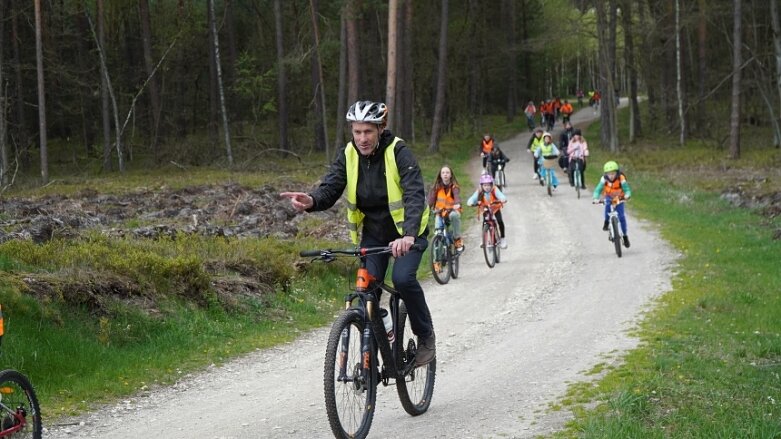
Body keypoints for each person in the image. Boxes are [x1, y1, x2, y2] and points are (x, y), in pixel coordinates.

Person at [280, 100, 436, 366]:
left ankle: (425, 337)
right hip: (375, 234)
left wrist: (409, 235)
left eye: (368, 131)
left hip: (407, 233)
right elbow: (331, 186)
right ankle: (371, 357)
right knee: (367, 290)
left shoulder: (398, 152)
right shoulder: (349, 154)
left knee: (402, 279)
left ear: (380, 128)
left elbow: (413, 193)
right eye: (357, 131)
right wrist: (312, 200)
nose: (362, 138)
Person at [592, 160, 632, 247]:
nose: (611, 176)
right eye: (609, 174)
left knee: (621, 217)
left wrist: (627, 195)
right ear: (606, 174)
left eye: (613, 173)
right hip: (609, 197)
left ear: (617, 173)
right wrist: (595, 197)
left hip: (619, 198)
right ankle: (606, 222)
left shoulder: (621, 178)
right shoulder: (604, 179)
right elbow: (598, 189)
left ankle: (625, 236)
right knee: (607, 210)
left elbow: (627, 189)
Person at [467, 173, 508, 249]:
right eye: (485, 185)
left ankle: (502, 238)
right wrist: (470, 202)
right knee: (485, 222)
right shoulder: (479, 191)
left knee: (500, 221)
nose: (487, 187)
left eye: (489, 185)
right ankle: (484, 239)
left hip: (495, 208)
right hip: (486, 209)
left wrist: (503, 199)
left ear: (492, 185)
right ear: (481, 186)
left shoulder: (494, 189)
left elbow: (501, 195)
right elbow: (473, 198)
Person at [428, 165, 463, 252]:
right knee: (438, 232)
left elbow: (457, 197)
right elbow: (431, 199)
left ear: (451, 175)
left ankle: (457, 239)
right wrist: (427, 208)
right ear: (440, 175)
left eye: (447, 172)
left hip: (451, 211)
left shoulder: (454, 187)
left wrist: (457, 204)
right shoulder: (436, 187)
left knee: (454, 216)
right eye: (443, 173)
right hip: (439, 212)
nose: (445, 174)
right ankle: (437, 257)